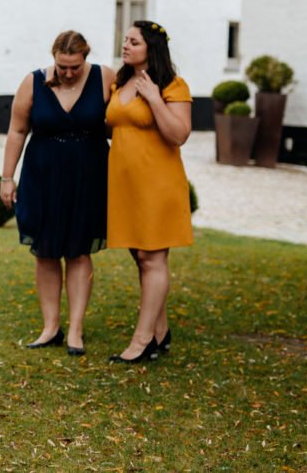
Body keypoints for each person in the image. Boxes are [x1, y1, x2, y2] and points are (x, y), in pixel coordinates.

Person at [0, 31, 114, 356]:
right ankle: (51, 326)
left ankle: (76, 329)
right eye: (61, 66)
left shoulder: (105, 77)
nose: (66, 73)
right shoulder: (33, 82)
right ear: (54, 58)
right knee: (46, 250)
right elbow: (17, 129)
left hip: (88, 176)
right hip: (42, 174)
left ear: (85, 58)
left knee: (79, 251)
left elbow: (122, 120)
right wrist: (7, 177)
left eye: (74, 67)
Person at [106, 20, 193, 363]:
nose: (125, 46)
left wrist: (155, 99)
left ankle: (143, 341)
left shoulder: (173, 85)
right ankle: (160, 330)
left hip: (158, 183)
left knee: (151, 258)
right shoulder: (120, 82)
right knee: (138, 256)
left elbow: (178, 134)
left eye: (134, 42)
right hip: (126, 184)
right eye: (125, 40)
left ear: (151, 48)